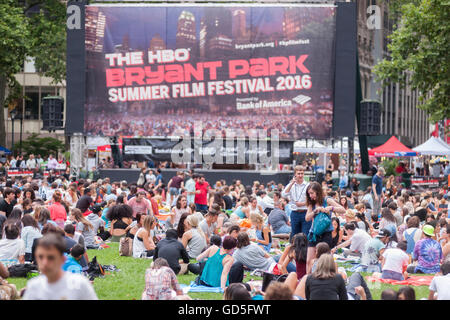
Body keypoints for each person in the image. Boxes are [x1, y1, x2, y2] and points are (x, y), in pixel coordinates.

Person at [22, 233, 98, 300]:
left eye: (51, 257)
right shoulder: (34, 286)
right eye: (40, 257)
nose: (45, 263)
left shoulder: (80, 284)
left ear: (62, 259)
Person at [305, 181, 345, 272]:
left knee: (325, 260)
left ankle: (328, 278)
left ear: (318, 192)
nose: (310, 196)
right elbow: (307, 218)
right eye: (309, 194)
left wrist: (330, 208)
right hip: (314, 233)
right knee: (309, 260)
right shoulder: (312, 203)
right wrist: (315, 211)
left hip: (326, 234)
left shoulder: (327, 200)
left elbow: (343, 210)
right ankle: (308, 280)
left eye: (312, 193)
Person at [282, 165, 310, 241]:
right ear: (295, 174)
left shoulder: (308, 185)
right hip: (295, 213)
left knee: (305, 235)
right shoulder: (291, 185)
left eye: (302, 173)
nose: (300, 175)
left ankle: (304, 252)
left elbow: (312, 199)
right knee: (294, 235)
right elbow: (283, 194)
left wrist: (303, 204)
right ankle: (294, 252)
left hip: (305, 212)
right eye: (298, 173)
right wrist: (291, 183)